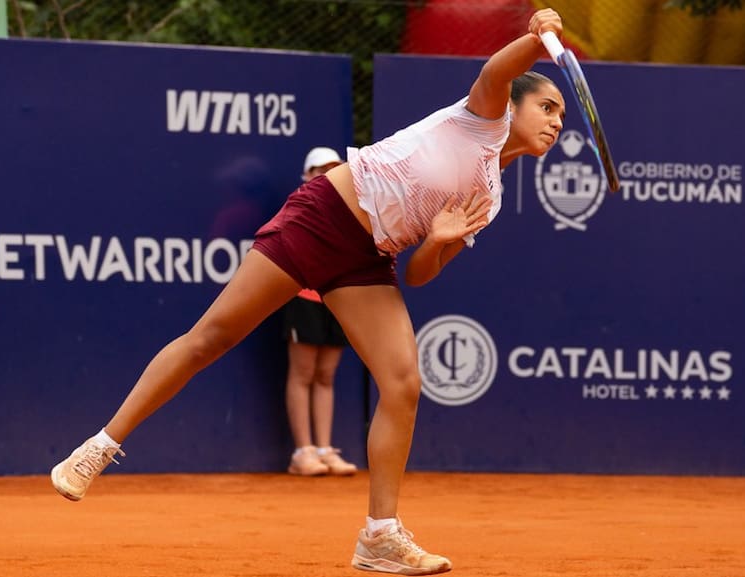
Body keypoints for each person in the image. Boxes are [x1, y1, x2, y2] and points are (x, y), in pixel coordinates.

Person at [51, 8, 566, 575]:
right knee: (210, 338)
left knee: (403, 382)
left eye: (561, 115)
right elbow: (497, 70)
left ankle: (380, 536)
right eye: (547, 106)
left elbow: (420, 275)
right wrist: (535, 39)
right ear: (513, 104)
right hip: (324, 217)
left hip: (370, 258)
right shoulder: (482, 118)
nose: (555, 122)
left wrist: (439, 242)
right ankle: (98, 446)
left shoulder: (489, 196)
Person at [283, 147, 358, 477]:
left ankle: (325, 449)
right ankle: (303, 451)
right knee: (303, 373)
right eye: (320, 170)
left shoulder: (349, 209)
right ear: (307, 176)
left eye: (334, 169)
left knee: (326, 374)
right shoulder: (299, 207)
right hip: (303, 297)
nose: (327, 175)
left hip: (336, 299)